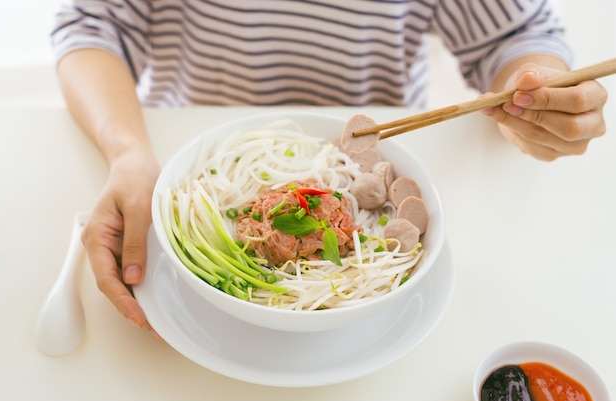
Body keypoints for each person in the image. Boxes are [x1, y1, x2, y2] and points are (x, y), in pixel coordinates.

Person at [50, 0, 608, 331]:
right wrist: (127, 151)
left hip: (375, 141)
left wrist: (531, 91)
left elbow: (516, 35)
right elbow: (92, 26)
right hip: (186, 148)